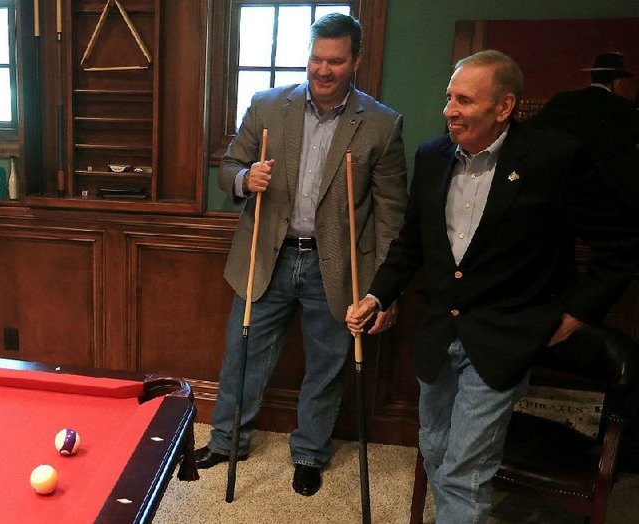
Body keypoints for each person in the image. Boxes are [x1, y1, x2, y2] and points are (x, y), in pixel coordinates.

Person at [346, 50, 639, 522]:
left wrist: (578, 312)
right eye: (448, 98)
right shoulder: (432, 156)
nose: (448, 110)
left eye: (463, 100)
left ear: (503, 107)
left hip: (504, 338)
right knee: (436, 450)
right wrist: (379, 295)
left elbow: (622, 242)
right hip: (440, 335)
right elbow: (411, 243)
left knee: (466, 471)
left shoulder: (553, 159)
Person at [196, 13, 408, 497]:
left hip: (335, 262)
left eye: (335, 61)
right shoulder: (269, 106)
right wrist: (244, 179)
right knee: (242, 354)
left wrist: (384, 290)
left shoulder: (380, 124)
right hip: (267, 253)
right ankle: (228, 442)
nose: (323, 70)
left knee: (327, 364)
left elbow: (393, 215)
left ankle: (309, 453)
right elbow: (228, 168)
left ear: (356, 60)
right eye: (316, 59)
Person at [528, 52, 639, 210]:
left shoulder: (563, 99)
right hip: (606, 198)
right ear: (616, 81)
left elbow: (531, 129)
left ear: (593, 76)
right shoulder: (625, 109)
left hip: (561, 191)